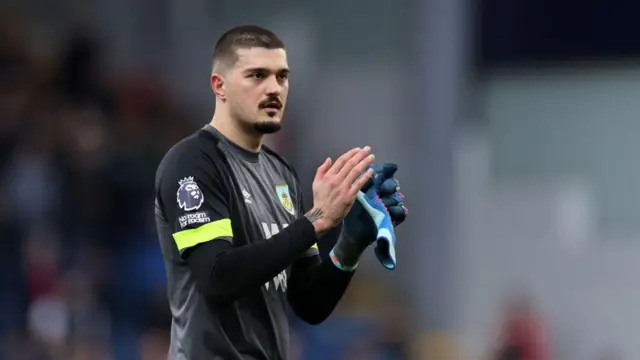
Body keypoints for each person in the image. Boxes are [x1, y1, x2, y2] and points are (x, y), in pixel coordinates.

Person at [154, 25, 406, 360]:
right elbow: (216, 278)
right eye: (257, 75)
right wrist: (316, 220)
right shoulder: (193, 163)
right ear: (220, 86)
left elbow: (308, 303)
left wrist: (350, 242)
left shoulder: (282, 174)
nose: (274, 88)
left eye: (282, 76)